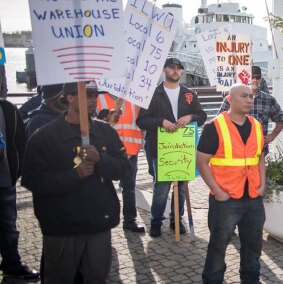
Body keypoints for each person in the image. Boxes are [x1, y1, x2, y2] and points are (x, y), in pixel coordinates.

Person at [22, 82, 131, 283]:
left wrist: (101, 160)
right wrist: (73, 175)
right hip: (63, 227)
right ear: (69, 97)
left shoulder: (105, 132)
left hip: (99, 224)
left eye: (94, 96)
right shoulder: (45, 136)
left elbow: (124, 168)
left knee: (96, 277)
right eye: (86, 95)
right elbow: (32, 179)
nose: (92, 101)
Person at [197, 84, 267, 284]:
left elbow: (260, 157)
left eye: (251, 96)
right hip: (225, 200)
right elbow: (201, 162)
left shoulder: (256, 125)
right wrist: (217, 191)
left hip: (253, 198)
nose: (249, 100)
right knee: (218, 248)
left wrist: (262, 185)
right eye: (244, 96)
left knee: (253, 248)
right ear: (230, 99)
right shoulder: (215, 127)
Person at [136, 58, 207, 238]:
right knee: (162, 187)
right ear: (164, 70)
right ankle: (156, 221)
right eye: (172, 68)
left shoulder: (189, 94)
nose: (175, 71)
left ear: (182, 71)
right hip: (160, 148)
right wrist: (161, 121)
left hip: (183, 147)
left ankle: (176, 220)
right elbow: (141, 121)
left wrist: (190, 117)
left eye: (178, 68)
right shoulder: (153, 93)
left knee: (181, 187)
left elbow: (202, 116)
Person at [0, 92, 39, 280]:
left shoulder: (7, 108)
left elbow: (20, 142)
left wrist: (17, 172)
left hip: (5, 181)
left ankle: (12, 264)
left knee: (9, 228)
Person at [96, 93, 145, 233]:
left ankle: (129, 220)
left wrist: (140, 143)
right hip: (107, 153)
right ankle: (103, 220)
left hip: (130, 151)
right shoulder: (100, 99)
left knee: (129, 188)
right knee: (103, 188)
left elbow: (140, 123)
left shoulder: (134, 99)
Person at [218, 65, 283, 154]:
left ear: (261, 79)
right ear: (247, 77)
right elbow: (219, 120)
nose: (255, 80)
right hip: (234, 149)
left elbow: (282, 119)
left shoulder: (268, 99)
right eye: (252, 77)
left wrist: (272, 136)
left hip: (259, 149)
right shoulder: (231, 98)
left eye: (257, 77)